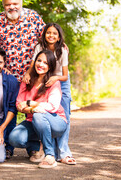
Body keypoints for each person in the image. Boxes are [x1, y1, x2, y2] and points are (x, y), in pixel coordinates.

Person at [23, 23, 76, 165]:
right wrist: (27, 74)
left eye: (54, 33)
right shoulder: (39, 47)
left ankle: (64, 152)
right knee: (46, 113)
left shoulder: (62, 49)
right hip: (45, 79)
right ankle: (48, 150)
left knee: (63, 114)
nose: (51, 36)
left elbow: (64, 76)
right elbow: (33, 64)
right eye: (48, 33)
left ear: (59, 37)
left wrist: (56, 78)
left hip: (60, 80)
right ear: (44, 34)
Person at [9, 50, 67, 169]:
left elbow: (52, 106)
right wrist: (32, 109)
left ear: (50, 66)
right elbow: (19, 105)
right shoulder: (27, 81)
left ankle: (50, 156)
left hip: (56, 122)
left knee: (39, 115)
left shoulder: (53, 82)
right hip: (33, 121)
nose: (41, 64)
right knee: (14, 138)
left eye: (45, 63)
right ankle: (39, 147)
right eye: (39, 61)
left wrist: (30, 103)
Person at [0, 0, 46, 82]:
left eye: (15, 4)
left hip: (32, 75)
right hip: (7, 77)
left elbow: (47, 38)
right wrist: (0, 67)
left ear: (21, 3)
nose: (12, 7)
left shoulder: (33, 17)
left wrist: (60, 44)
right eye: (8, 4)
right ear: (3, 6)